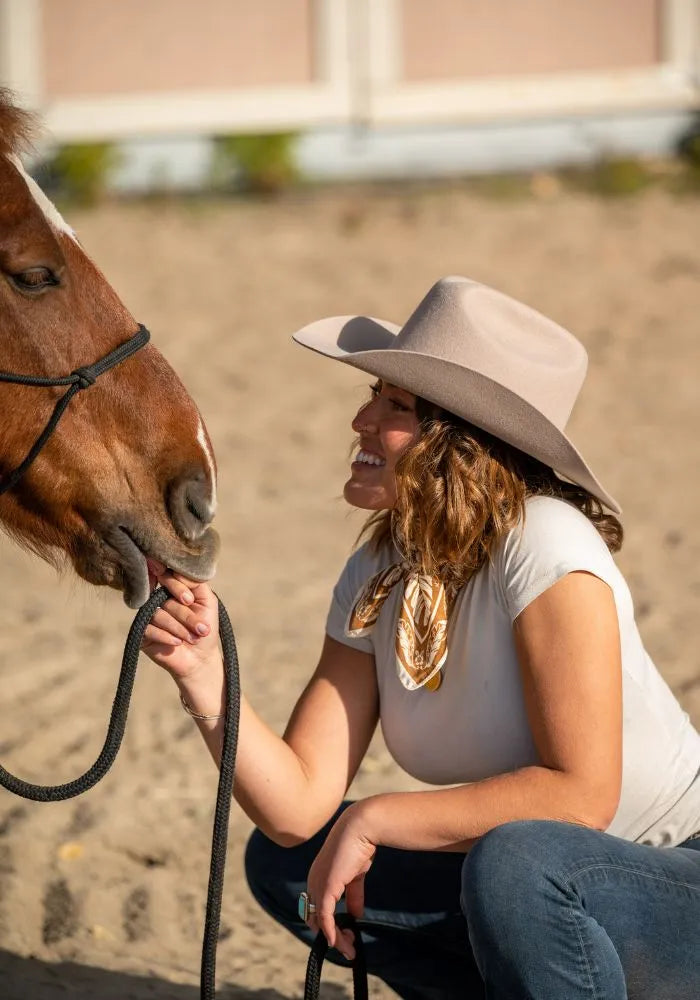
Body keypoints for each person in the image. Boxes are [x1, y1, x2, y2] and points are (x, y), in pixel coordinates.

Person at [142, 277, 700, 1000]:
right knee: (291, 865)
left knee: (514, 861)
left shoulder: (547, 542)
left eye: (395, 406)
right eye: (375, 392)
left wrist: (377, 817)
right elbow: (296, 808)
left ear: (462, 439)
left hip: (670, 880)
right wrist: (204, 674)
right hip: (540, 891)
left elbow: (581, 798)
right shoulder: (377, 569)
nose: (360, 419)